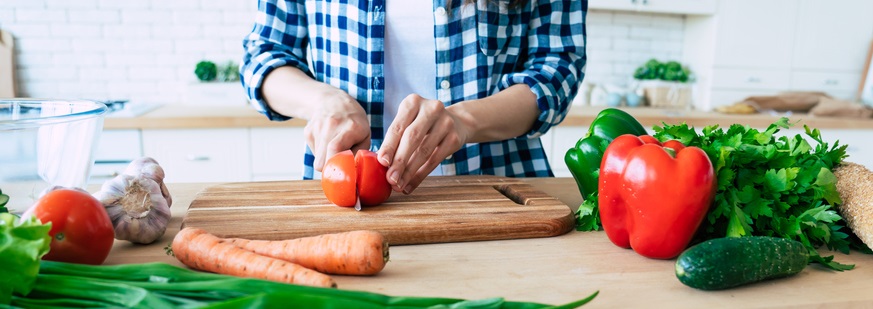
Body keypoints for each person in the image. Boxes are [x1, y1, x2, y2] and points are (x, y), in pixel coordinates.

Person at [240, 0, 587, 195]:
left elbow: (558, 68)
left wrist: (463, 121)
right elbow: (264, 55)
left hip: (501, 191)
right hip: (345, 192)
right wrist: (323, 101)